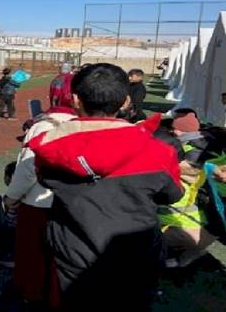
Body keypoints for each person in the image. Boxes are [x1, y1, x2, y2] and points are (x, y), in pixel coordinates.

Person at [27, 63, 183, 310]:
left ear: (76, 100)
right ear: (125, 101)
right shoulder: (159, 151)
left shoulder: (49, 147)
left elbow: (45, 180)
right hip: (137, 254)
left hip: (75, 251)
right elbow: (173, 195)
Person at [4, 86, 76, 305]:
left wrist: (11, 197)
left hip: (38, 202)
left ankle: (31, 294)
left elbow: (29, 168)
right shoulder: (84, 125)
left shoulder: (44, 125)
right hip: (73, 203)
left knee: (32, 254)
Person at [157, 112, 217, 268]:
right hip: (208, 226)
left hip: (184, 227)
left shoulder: (189, 155)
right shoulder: (207, 146)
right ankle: (187, 255)